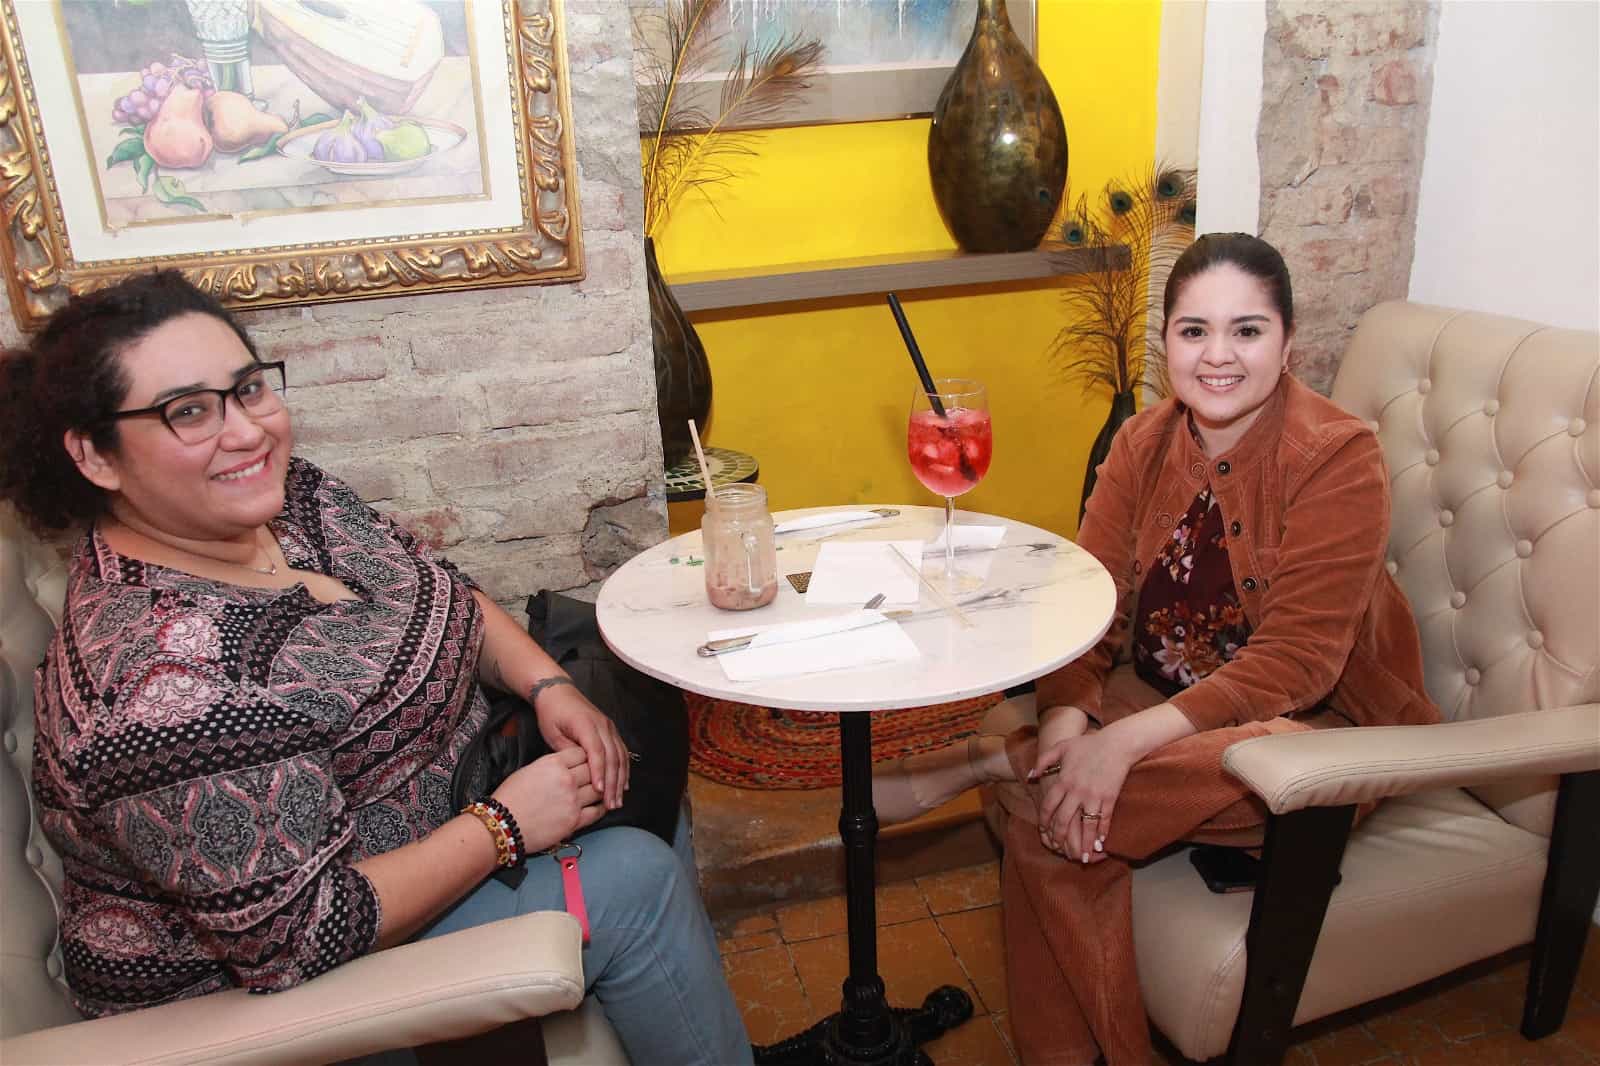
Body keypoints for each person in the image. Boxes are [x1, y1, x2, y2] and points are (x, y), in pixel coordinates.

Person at [0, 272, 751, 1065]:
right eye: (188, 411)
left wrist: (548, 685)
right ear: (96, 456)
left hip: (456, 814)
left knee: (635, 774)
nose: (248, 432)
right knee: (634, 878)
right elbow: (298, 937)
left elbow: (441, 590)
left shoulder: (281, 502)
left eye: (249, 389)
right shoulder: (165, 689)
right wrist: (502, 825)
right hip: (277, 993)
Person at [872, 234, 1440, 1064]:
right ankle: (1034, 761)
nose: (1218, 356)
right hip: (1163, 701)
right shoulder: (1141, 442)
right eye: (1193, 331)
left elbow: (1299, 664)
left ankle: (1003, 762)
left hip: (1310, 729)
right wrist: (1070, 728)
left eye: (1247, 331)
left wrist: (1119, 747)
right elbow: (1084, 607)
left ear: (1289, 345)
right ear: (1165, 341)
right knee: (1057, 821)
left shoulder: (1337, 457)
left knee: (1148, 782)